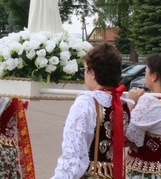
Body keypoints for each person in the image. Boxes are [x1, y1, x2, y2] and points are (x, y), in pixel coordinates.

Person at [53, 42, 129, 178]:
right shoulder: (122, 102)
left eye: (85, 70)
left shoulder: (87, 102)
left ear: (92, 73)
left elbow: (73, 154)